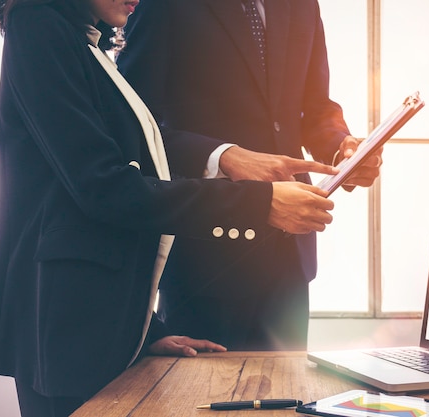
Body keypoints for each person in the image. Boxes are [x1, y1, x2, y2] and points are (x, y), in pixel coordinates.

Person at [0, 0, 339, 415]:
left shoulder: (83, 38)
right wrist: (255, 203)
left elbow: (106, 182)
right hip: (66, 323)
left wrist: (144, 330)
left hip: (101, 321)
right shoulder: (38, 23)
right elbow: (104, 187)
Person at [117, 0, 382, 351]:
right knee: (197, 398)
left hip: (288, 250)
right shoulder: (161, 5)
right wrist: (222, 156)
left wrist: (343, 149)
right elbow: (132, 121)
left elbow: (316, 107)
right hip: (205, 252)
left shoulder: (302, 6)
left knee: (284, 397)